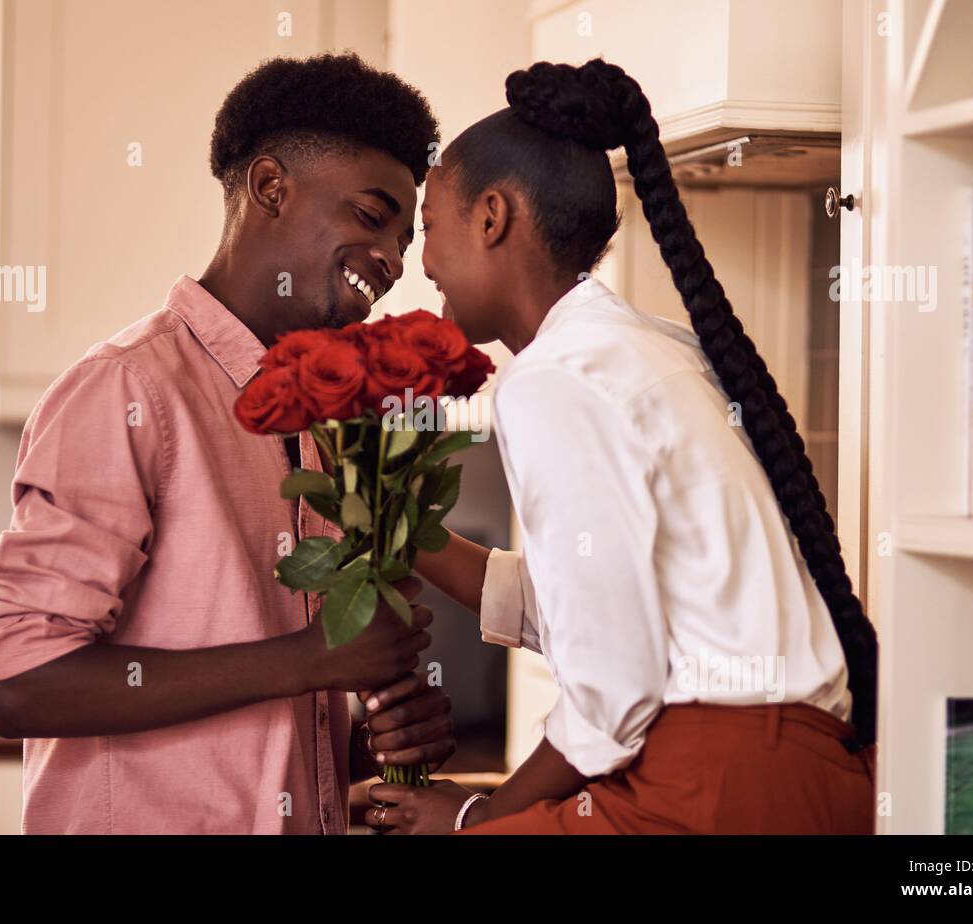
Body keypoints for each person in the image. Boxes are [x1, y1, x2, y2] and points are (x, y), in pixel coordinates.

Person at [364, 58, 879, 835]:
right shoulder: (645, 347)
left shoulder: (553, 382)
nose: (421, 262)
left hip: (716, 786)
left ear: (493, 217)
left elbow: (614, 690)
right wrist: (392, 525)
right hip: (802, 775)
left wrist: (476, 817)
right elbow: (599, 601)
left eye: (430, 228)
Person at [0, 53, 455, 834]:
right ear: (270, 187)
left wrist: (373, 742)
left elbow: (274, 727)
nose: (395, 261)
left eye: (403, 237)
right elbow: (24, 683)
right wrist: (316, 659)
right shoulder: (128, 391)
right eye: (372, 217)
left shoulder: (323, 430)